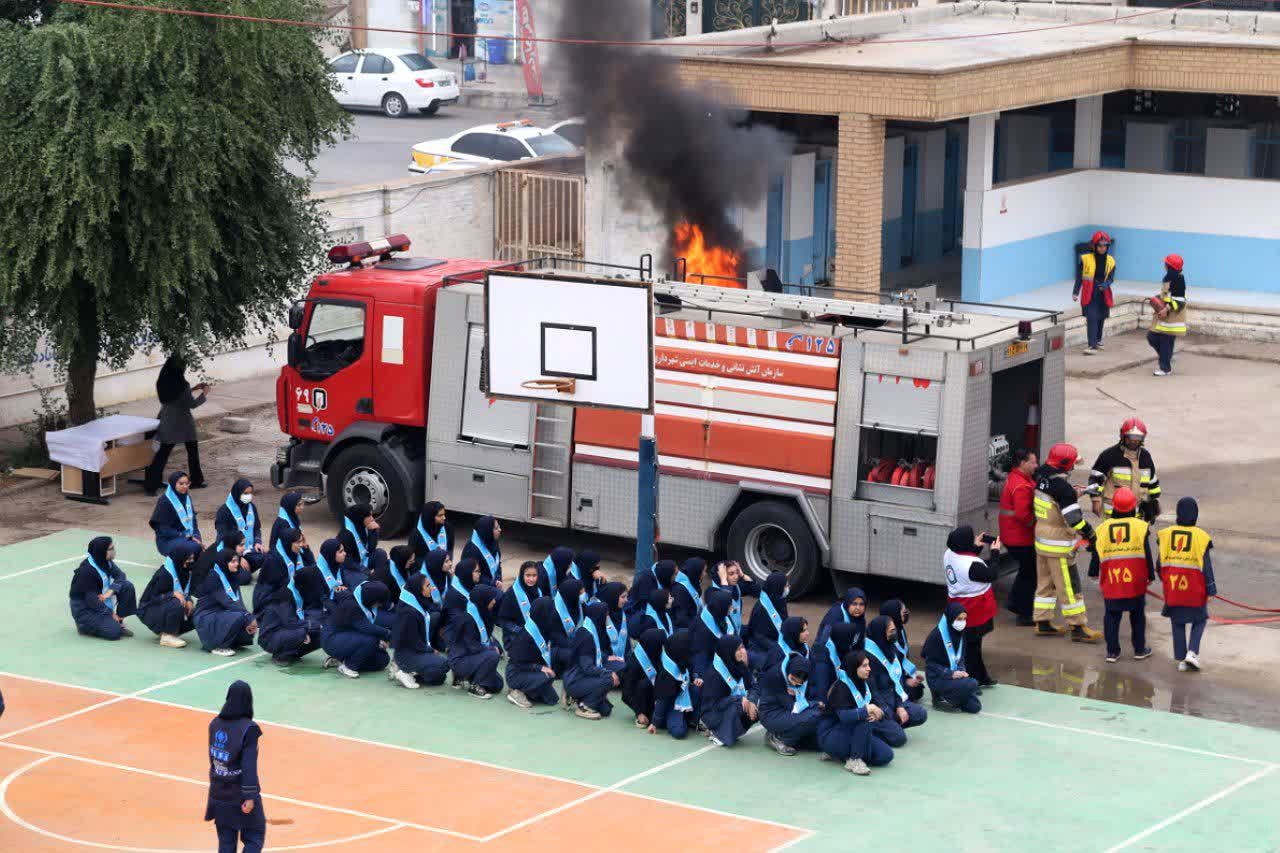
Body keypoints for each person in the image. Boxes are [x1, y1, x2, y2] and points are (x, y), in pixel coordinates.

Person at [1033, 443, 1103, 642]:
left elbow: (1056, 499)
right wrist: (1089, 533)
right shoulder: (1063, 488)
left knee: (1045, 584)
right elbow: (1073, 518)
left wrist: (1080, 492)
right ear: (1065, 465)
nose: (1074, 467)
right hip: (1059, 544)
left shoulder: (1042, 478)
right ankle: (1078, 626)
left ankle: (1043, 622)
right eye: (1072, 463)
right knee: (1070, 587)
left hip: (1042, 540)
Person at [1088, 487, 1156, 663]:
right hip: (1135, 581)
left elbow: (1097, 553)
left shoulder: (1102, 529)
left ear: (1114, 507)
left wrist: (1093, 571)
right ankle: (1139, 649)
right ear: (1133, 507)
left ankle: (1112, 652)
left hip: (1112, 581)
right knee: (1138, 615)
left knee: (1111, 615)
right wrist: (1150, 574)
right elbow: (1147, 553)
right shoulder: (1141, 527)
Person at [1157, 497, 1217, 672]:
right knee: (1200, 619)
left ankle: (1182, 658)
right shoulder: (1201, 537)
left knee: (1177, 621)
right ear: (1195, 515)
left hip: (1174, 589)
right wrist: (1211, 589)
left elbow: (1159, 565)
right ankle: (1192, 652)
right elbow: (1207, 567)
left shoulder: (1166, 535)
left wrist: (1166, 581)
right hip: (1195, 589)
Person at [205, 680, 264, 853]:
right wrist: (250, 795)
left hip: (218, 792)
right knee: (254, 837)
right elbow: (248, 765)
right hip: (239, 793)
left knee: (226, 843)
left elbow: (213, 758)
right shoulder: (249, 729)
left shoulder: (214, 724)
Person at [817, 651, 894, 776]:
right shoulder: (841, 687)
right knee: (865, 718)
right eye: (864, 666)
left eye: (868, 665)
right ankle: (854, 759)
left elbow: (879, 705)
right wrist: (867, 709)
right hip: (831, 735)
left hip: (855, 733)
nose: (869, 669)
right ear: (854, 667)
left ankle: (843, 755)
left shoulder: (865, 683)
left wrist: (879, 714)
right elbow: (844, 716)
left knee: (886, 755)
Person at [943, 527, 1000, 687]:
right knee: (972, 648)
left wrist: (976, 547)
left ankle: (980, 677)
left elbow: (966, 560)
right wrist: (995, 552)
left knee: (970, 646)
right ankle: (974, 680)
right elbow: (991, 574)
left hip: (957, 604)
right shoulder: (973, 565)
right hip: (974, 609)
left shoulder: (949, 554)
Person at [145, 355, 208, 494]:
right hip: (184, 424)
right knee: (192, 452)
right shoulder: (182, 384)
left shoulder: (162, 382)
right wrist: (204, 394)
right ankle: (197, 480)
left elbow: (175, 398)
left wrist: (192, 389)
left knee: (162, 455)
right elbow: (191, 404)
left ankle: (151, 485)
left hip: (167, 422)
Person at [863, 615, 927, 747]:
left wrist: (899, 706)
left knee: (920, 713)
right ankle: (878, 729)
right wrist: (888, 712)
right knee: (899, 739)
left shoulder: (891, 649)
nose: (894, 633)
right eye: (891, 631)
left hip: (893, 699)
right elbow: (873, 692)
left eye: (894, 630)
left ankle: (891, 727)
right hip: (877, 705)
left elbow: (896, 681)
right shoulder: (867, 657)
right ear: (881, 632)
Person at [1086, 419, 1162, 522]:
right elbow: (1095, 479)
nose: (1134, 441)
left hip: (1138, 516)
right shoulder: (1109, 455)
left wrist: (1154, 502)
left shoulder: (1145, 457)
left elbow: (1153, 483)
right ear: (1123, 436)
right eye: (1131, 437)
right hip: (1114, 515)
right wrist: (1095, 500)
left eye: (1138, 438)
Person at [257, 560, 324, 667]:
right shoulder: (284, 596)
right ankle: (281, 655)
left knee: (322, 632)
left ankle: (293, 653)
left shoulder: (300, 592)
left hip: (286, 631)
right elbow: (291, 623)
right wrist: (315, 625)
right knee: (303, 631)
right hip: (269, 637)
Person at [69, 536, 138, 640]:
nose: (114, 551)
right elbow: (92, 601)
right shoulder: (86, 572)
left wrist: (110, 591)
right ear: (101, 551)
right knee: (114, 632)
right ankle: (84, 627)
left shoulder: (105, 562)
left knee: (127, 586)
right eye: (110, 549)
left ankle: (118, 621)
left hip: (99, 601)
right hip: (85, 610)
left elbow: (121, 576)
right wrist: (110, 613)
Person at [1000, 448, 1039, 626]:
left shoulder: (1017, 479)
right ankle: (1024, 613)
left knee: (1026, 571)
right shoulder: (1021, 485)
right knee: (1029, 575)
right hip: (1020, 539)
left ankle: (1015, 603)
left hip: (1012, 536)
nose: (1036, 465)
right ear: (1023, 463)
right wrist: (1039, 526)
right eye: (1033, 462)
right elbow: (1024, 516)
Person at [321, 581, 391, 679]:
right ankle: (348, 666)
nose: (380, 605)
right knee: (371, 640)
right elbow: (366, 627)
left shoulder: (364, 600)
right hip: (332, 639)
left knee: (382, 660)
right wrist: (388, 634)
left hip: (350, 637)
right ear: (371, 598)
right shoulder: (352, 605)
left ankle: (341, 659)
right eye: (379, 602)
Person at [390, 572, 449, 689]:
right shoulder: (409, 613)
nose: (432, 588)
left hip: (415, 651)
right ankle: (405, 671)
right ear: (418, 589)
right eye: (427, 586)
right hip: (406, 654)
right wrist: (430, 650)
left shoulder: (417, 603)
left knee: (438, 677)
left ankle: (413, 671)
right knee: (444, 664)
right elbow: (414, 642)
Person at [138, 540, 201, 648]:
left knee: (198, 613)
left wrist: (189, 600)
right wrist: (171, 594)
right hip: (149, 611)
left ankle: (172, 631)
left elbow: (184, 591)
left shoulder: (184, 570)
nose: (191, 562)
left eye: (192, 558)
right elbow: (152, 598)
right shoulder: (165, 574)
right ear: (180, 558)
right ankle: (167, 635)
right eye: (188, 559)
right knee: (176, 602)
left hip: (165, 607)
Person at [759, 653, 823, 757]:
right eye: (792, 680)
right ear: (790, 670)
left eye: (799, 684)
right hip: (772, 714)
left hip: (789, 710)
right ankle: (778, 737)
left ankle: (789, 737)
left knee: (819, 726)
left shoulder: (804, 674)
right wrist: (814, 704)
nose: (794, 684)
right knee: (814, 717)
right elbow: (791, 706)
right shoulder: (775, 675)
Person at [194, 550, 257, 656]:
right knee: (239, 616)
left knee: (247, 629)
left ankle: (230, 641)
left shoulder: (233, 576)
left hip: (221, 613)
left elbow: (237, 601)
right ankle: (217, 645)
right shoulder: (213, 577)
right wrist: (249, 616)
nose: (237, 564)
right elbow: (227, 602)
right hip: (206, 617)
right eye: (233, 561)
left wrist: (248, 619)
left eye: (237, 561)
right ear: (224, 562)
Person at [699, 635, 756, 748]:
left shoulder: (739, 665)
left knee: (757, 705)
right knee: (740, 708)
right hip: (711, 714)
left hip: (729, 706)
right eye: (738, 649)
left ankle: (731, 730)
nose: (742, 651)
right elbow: (715, 705)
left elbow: (754, 686)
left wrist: (752, 700)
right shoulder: (714, 674)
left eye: (742, 647)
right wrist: (739, 699)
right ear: (729, 651)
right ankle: (719, 733)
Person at [505, 596, 562, 709]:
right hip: (516, 673)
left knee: (552, 700)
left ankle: (529, 689)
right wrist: (540, 668)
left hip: (531, 671)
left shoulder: (543, 627)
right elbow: (518, 662)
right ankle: (516, 691)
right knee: (546, 676)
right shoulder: (525, 636)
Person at [564, 600, 618, 720]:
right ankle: (584, 706)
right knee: (609, 679)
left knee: (606, 710)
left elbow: (593, 654)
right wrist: (608, 673)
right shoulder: (587, 636)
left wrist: (606, 658)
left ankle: (579, 697)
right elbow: (587, 667)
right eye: (606, 615)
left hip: (579, 675)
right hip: (575, 679)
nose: (608, 618)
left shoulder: (590, 629)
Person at [922, 604, 981, 713]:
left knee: (975, 707)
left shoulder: (960, 633)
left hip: (954, 675)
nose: (962, 622)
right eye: (959, 619)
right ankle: (938, 696)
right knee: (972, 684)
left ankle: (952, 696)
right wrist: (951, 674)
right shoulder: (936, 636)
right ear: (950, 618)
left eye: (964, 619)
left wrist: (961, 671)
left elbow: (961, 656)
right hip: (938, 677)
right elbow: (930, 664)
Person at [448, 584, 503, 698]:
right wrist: (491, 649)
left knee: (497, 685)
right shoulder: (468, 619)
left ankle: (467, 677)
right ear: (483, 600)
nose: (493, 602)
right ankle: (475, 686)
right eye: (491, 599)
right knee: (493, 655)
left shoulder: (481, 612)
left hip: (472, 658)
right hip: (460, 660)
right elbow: (473, 647)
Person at [1074, 230, 1115, 355]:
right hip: (1090, 292)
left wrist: (1105, 285)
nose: (1102, 248)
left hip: (1103, 292)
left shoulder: (1111, 261)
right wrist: (1076, 292)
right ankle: (1091, 345)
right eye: (1100, 245)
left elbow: (1111, 278)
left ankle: (1097, 340)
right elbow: (1080, 277)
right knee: (1092, 317)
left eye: (1105, 246)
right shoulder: (1085, 259)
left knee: (1101, 316)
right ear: (1094, 246)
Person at [1148, 253, 1188, 376]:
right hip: (1164, 316)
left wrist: (1167, 309)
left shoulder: (1179, 279)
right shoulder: (1169, 277)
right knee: (1152, 337)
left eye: (1166, 264)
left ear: (1169, 266)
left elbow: (1180, 299)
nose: (1164, 265)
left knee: (1165, 341)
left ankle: (1165, 368)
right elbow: (1168, 295)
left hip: (1172, 317)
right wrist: (1158, 298)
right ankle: (1166, 357)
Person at [214, 479, 266, 573]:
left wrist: (258, 542)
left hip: (247, 550)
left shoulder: (251, 507)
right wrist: (238, 557)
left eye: (250, 493)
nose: (249, 496)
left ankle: (246, 566)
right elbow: (224, 538)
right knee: (244, 578)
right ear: (237, 493)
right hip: (229, 552)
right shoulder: (224, 511)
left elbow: (257, 528)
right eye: (245, 493)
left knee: (267, 558)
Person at [652, 629, 696, 739]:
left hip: (682, 695)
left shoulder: (680, 657)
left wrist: (696, 678)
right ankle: (673, 720)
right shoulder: (667, 672)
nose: (691, 648)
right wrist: (655, 723)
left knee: (697, 689)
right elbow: (663, 699)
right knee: (679, 732)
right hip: (671, 703)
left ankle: (690, 718)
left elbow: (691, 670)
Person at [253, 528, 307, 616]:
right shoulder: (274, 559)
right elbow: (279, 585)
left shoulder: (294, 552)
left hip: (284, 589)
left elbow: (310, 566)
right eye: (298, 542)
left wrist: (307, 550)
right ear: (288, 543)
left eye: (301, 541)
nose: (301, 545)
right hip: (268, 595)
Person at [879, 599, 925, 701]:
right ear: (894, 614)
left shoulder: (900, 630)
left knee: (917, 689)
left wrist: (910, 675)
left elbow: (902, 658)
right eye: (903, 612)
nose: (906, 613)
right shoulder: (884, 636)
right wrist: (904, 681)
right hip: (886, 680)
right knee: (912, 692)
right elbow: (885, 669)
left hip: (899, 674)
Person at [621, 627, 667, 728]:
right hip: (643, 699)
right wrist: (639, 712)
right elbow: (626, 693)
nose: (663, 647)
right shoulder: (634, 663)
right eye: (661, 644)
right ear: (655, 644)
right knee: (644, 684)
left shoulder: (657, 654)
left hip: (658, 697)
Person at [150, 471, 202, 557]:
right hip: (168, 539)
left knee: (198, 546)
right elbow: (163, 529)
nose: (185, 486)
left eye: (187, 483)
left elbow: (193, 522)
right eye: (181, 484)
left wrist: (196, 535)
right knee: (191, 547)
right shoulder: (164, 502)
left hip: (187, 536)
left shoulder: (187, 498)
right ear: (173, 484)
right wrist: (185, 535)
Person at [746, 572, 789, 670]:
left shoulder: (780, 599)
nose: (788, 588)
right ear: (778, 587)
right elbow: (758, 636)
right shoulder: (761, 609)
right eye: (786, 585)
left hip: (775, 641)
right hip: (760, 647)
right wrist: (777, 648)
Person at [691, 587, 736, 680]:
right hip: (712, 667)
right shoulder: (703, 630)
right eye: (730, 606)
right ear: (722, 606)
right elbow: (700, 657)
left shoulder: (720, 614)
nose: (732, 608)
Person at [809, 622, 858, 703]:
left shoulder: (839, 641)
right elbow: (821, 691)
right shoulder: (822, 658)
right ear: (845, 638)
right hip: (817, 696)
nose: (855, 642)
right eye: (853, 639)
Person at [708, 559, 758, 636]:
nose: (736, 577)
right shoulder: (712, 594)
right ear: (721, 575)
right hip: (725, 637)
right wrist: (724, 581)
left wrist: (742, 575)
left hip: (737, 631)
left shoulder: (735, 586)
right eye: (731, 574)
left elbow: (756, 591)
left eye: (737, 572)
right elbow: (724, 601)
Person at [337, 503, 389, 576]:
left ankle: (379, 577)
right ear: (361, 517)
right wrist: (365, 570)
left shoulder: (362, 526)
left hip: (363, 561)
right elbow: (347, 562)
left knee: (380, 553)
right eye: (369, 516)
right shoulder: (346, 535)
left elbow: (371, 549)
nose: (372, 519)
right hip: (350, 568)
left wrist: (373, 532)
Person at [498, 560, 544, 639]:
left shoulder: (539, 591)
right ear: (522, 575)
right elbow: (503, 620)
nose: (531, 579)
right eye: (528, 575)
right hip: (514, 635)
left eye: (534, 575)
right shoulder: (511, 594)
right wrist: (520, 630)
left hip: (535, 634)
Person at [269, 492, 314, 566]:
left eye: (302, 504)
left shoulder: (293, 518)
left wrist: (306, 548)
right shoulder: (283, 524)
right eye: (299, 505)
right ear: (291, 506)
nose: (302, 507)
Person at [627, 559, 676, 624]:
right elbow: (644, 606)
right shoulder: (646, 581)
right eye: (674, 574)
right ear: (667, 574)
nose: (676, 577)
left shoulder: (663, 578)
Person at [597, 581, 631, 671]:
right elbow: (593, 645)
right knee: (624, 669)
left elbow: (626, 642)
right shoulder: (600, 616)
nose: (626, 600)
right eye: (623, 597)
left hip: (621, 658)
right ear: (613, 597)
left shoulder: (621, 613)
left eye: (626, 597)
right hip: (604, 659)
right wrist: (605, 657)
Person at [461, 515, 504, 586]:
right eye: (496, 528)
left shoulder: (492, 542)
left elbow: (497, 564)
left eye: (499, 526)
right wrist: (492, 583)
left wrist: (498, 579)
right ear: (487, 531)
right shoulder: (471, 551)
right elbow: (471, 574)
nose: (500, 529)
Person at [372, 544, 417, 611]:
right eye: (410, 561)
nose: (413, 562)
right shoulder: (385, 575)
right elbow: (382, 600)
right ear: (402, 561)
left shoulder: (403, 566)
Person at [669, 557, 706, 631]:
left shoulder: (692, 582)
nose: (705, 574)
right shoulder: (680, 590)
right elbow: (681, 619)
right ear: (696, 571)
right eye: (703, 571)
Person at [311, 538, 351, 604]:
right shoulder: (316, 572)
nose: (345, 553)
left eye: (343, 550)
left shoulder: (337, 564)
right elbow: (320, 599)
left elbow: (345, 585)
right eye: (341, 552)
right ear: (331, 554)